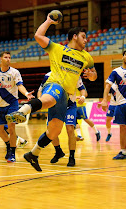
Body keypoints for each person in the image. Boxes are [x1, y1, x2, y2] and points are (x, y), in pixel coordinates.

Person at [6, 14, 97, 171]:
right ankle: (21, 111)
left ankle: (33, 154)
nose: (86, 40)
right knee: (49, 99)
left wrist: (91, 75)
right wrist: (48, 21)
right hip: (54, 84)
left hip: (67, 96)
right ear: (74, 37)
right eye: (83, 37)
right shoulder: (57, 48)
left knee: (54, 131)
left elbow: (94, 75)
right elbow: (38, 35)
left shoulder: (86, 57)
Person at [0, 51, 34, 163]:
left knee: (11, 128)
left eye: (9, 57)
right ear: (1, 59)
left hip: (12, 104)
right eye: (6, 57)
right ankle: (9, 146)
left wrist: (26, 94)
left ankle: (12, 153)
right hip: (0, 105)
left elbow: (20, 85)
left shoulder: (15, 72)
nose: (8, 59)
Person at [38, 72, 87, 167]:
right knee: (51, 130)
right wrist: (40, 100)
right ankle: (58, 151)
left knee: (70, 129)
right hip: (54, 106)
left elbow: (83, 89)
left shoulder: (74, 74)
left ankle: (72, 157)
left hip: (70, 106)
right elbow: (40, 90)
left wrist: (83, 96)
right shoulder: (49, 75)